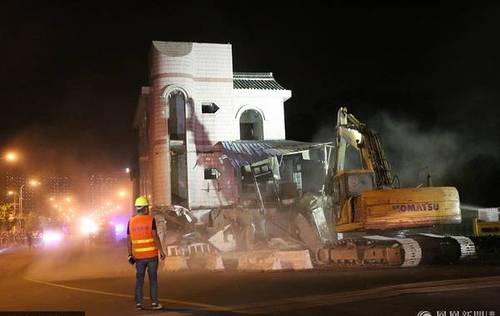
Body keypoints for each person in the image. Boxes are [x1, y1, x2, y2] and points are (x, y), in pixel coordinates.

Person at [127, 195, 166, 310]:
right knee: (153, 279)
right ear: (145, 208)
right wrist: (161, 250)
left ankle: (138, 304)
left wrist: (130, 254)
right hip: (152, 256)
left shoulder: (131, 221)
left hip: (138, 257)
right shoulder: (150, 219)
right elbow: (155, 236)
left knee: (139, 280)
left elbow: (128, 240)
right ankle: (154, 303)